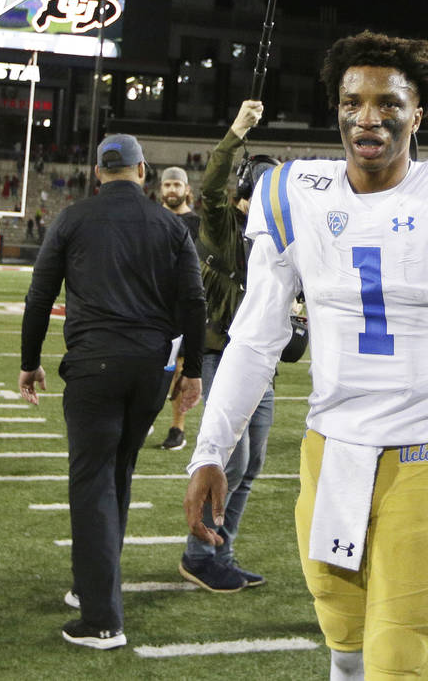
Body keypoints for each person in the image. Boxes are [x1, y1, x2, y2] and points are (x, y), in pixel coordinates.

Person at [183, 31, 428, 680]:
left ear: (419, 113)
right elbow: (256, 333)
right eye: (352, 100)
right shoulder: (291, 191)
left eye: (388, 102)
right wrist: (210, 452)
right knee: (346, 648)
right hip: (329, 455)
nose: (368, 116)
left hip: (421, 455)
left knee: (400, 660)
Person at [19, 134, 205, 649]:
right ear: (143, 171)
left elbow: (40, 295)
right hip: (149, 367)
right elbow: (193, 300)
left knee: (93, 479)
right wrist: (191, 370)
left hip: (94, 365)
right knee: (118, 471)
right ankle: (93, 583)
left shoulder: (74, 219)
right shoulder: (170, 225)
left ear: (99, 172)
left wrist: (29, 362)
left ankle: (102, 620)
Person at [178, 100, 277, 592]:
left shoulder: (278, 239)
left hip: (261, 362)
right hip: (222, 353)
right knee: (230, 460)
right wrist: (237, 129)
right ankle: (201, 554)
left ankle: (222, 551)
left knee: (252, 462)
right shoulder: (223, 225)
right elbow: (212, 184)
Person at [155, 166, 200, 451]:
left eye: (176, 185)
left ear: (186, 189)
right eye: (167, 185)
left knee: (180, 369)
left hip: (181, 306)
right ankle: (143, 417)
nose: (172, 190)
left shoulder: (196, 223)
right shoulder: (151, 218)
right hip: (150, 304)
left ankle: (177, 429)